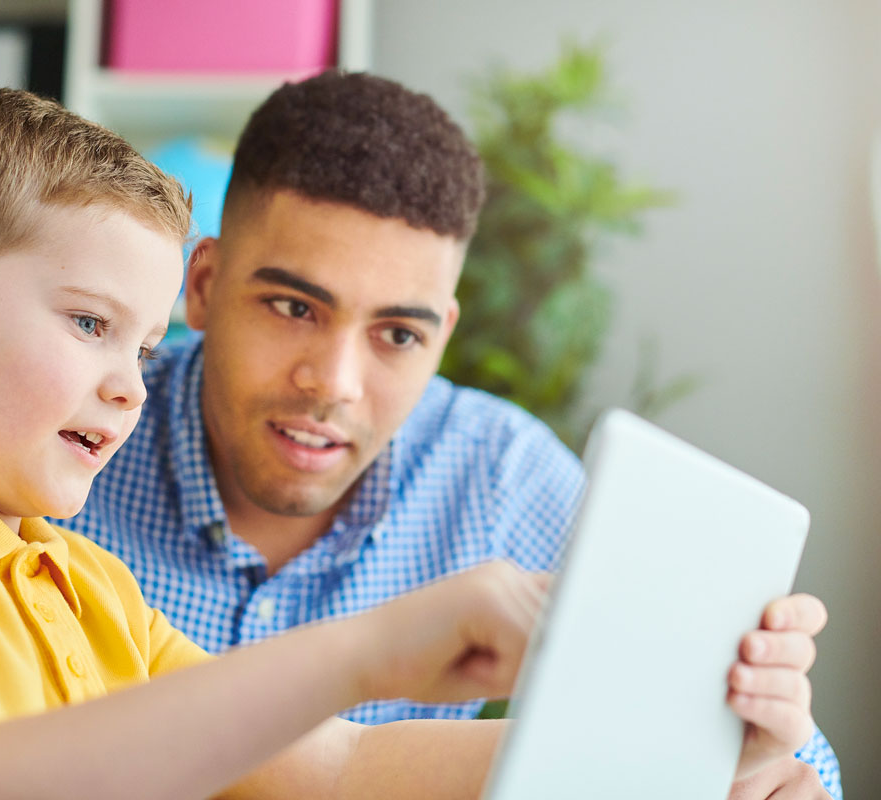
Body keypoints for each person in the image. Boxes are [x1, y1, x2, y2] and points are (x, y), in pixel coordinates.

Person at [0, 78, 834, 799]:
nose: (131, 389)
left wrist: (685, 766)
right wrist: (368, 650)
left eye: (138, 351)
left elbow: (334, 768)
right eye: (89, 323)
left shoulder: (80, 584)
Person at [56, 71, 842, 798]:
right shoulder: (69, 440)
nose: (334, 383)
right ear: (203, 284)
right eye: (294, 308)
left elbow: (784, 761)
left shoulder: (500, 474)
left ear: (442, 336)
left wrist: (771, 752)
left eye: (397, 334)